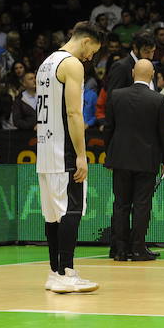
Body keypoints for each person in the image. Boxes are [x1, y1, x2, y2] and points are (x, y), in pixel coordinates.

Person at [37, 21, 104, 294]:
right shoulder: (72, 64)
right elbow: (74, 113)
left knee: (53, 216)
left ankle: (56, 271)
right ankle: (66, 272)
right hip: (63, 151)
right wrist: (81, 155)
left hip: (45, 152)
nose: (91, 58)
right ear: (86, 41)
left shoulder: (46, 63)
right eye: (93, 51)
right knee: (71, 211)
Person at [105, 60, 164, 261]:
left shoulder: (116, 95)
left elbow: (109, 128)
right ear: (152, 75)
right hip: (146, 159)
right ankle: (137, 249)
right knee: (142, 205)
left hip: (120, 159)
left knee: (121, 205)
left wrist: (109, 156)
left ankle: (120, 250)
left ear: (133, 72)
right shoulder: (158, 99)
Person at [104, 31, 156, 99]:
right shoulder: (121, 67)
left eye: (153, 51)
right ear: (135, 48)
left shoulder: (151, 65)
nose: (151, 56)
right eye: (146, 52)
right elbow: (112, 99)